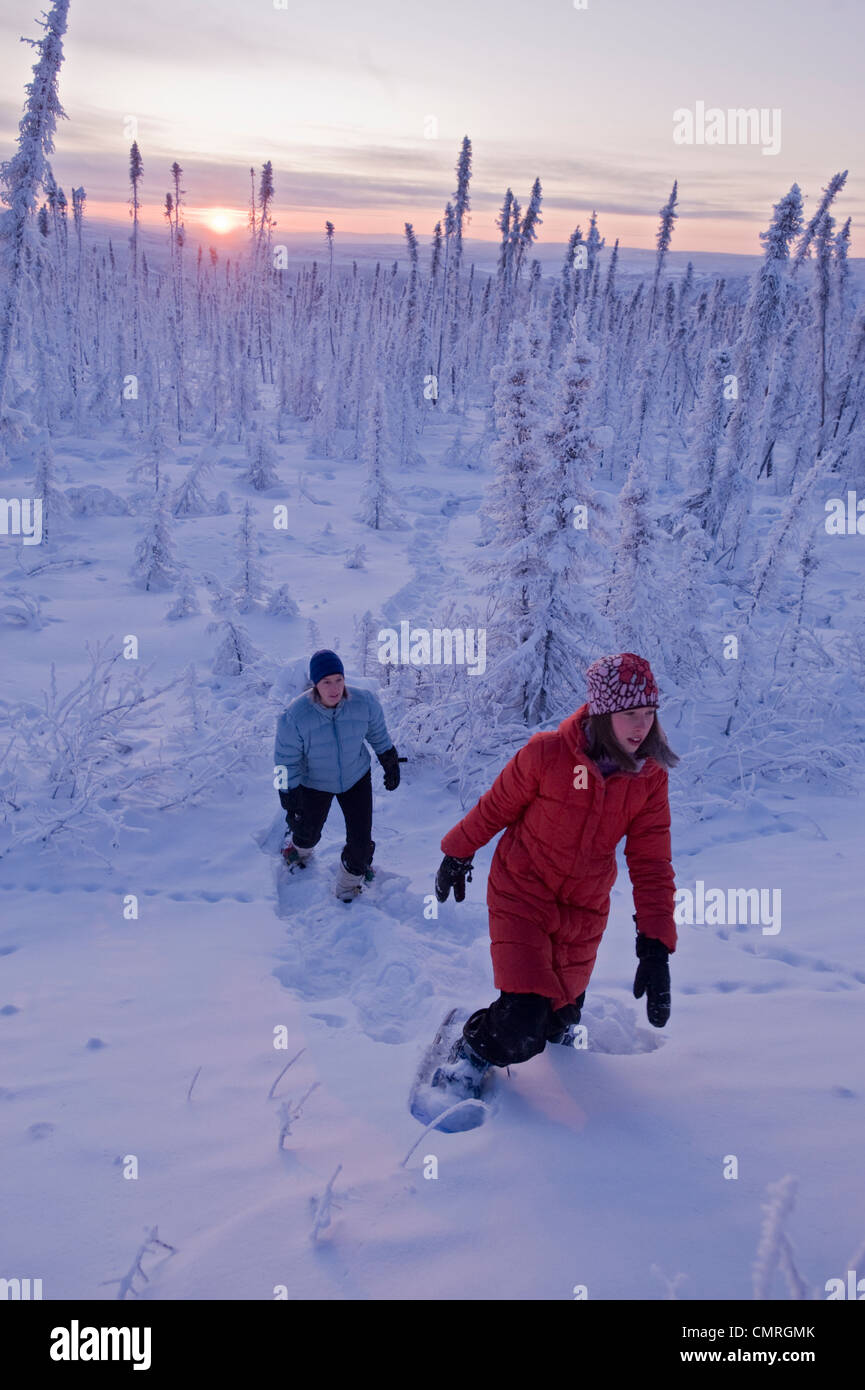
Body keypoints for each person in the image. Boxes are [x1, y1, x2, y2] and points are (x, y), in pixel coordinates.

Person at [433, 652, 679, 1093]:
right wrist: (458, 851)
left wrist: (655, 945)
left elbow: (652, 862)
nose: (641, 726)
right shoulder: (546, 754)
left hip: (583, 911)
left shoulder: (649, 777)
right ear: (604, 712)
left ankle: (538, 1026)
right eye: (629, 714)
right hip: (522, 894)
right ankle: (471, 1050)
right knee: (522, 1025)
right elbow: (497, 807)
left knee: (556, 1024)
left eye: (648, 713)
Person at [274, 650, 401, 900]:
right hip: (315, 782)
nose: (334, 688)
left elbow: (377, 733)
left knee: (361, 842)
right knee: (307, 830)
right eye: (326, 682)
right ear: (315, 685)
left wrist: (389, 759)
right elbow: (283, 761)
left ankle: (349, 884)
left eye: (338, 680)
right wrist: (288, 796)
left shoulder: (364, 702)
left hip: (356, 777)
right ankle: (298, 849)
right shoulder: (295, 716)